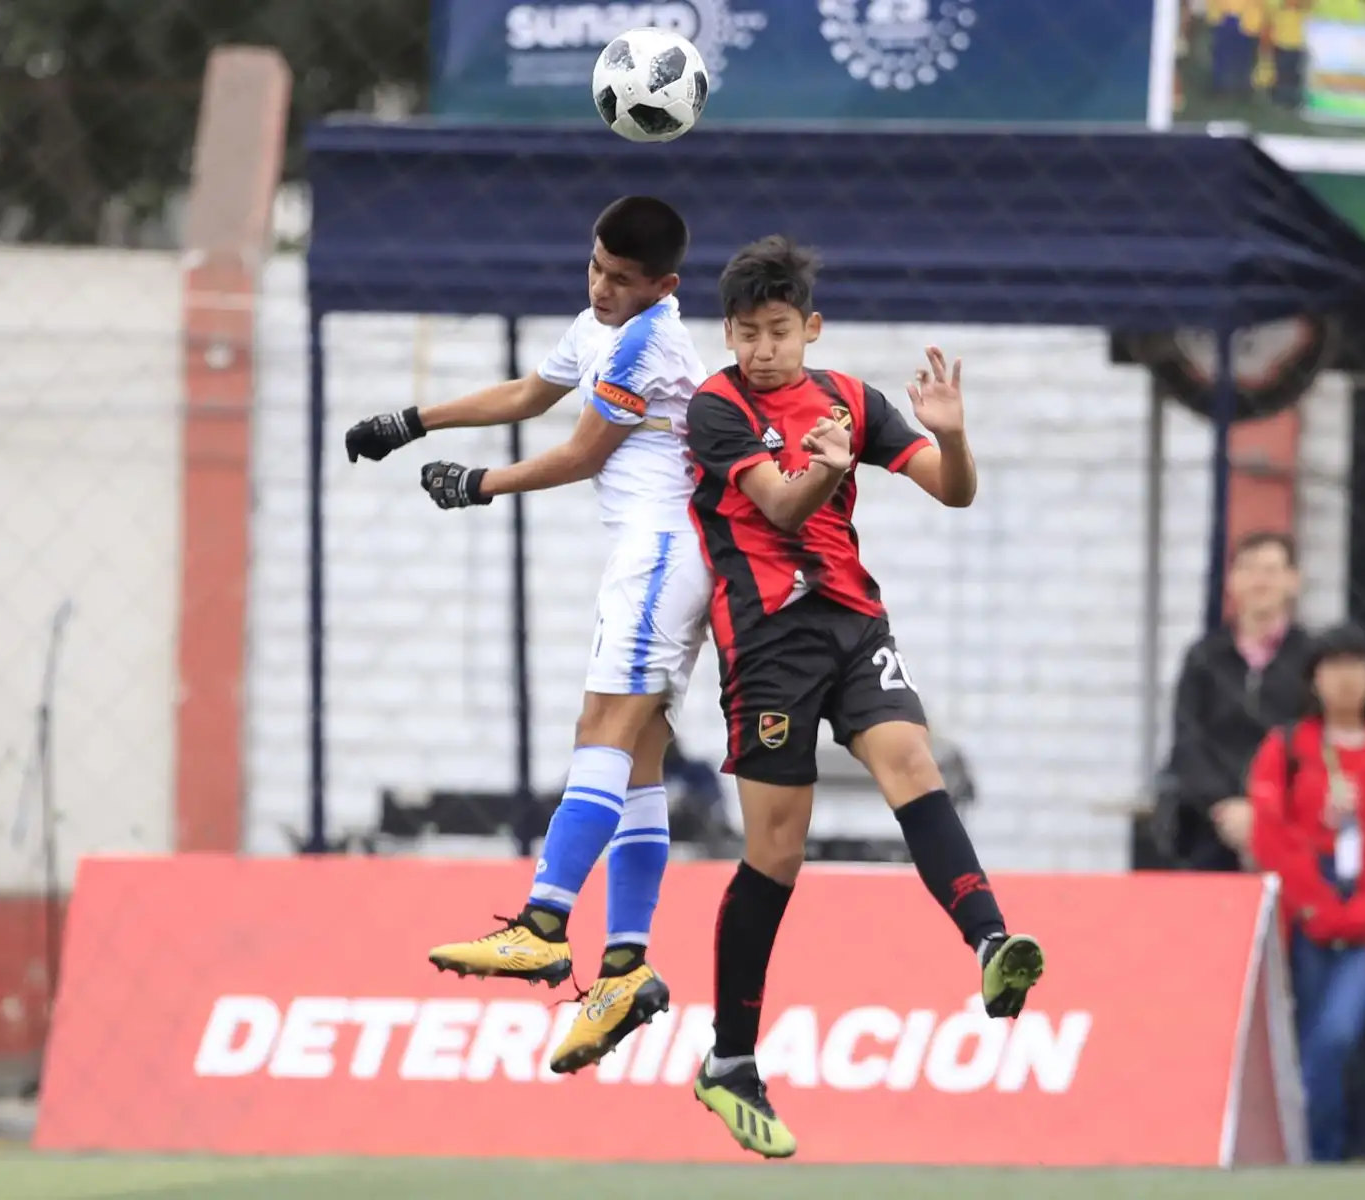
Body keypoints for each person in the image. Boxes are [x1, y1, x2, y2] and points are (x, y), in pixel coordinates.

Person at [681, 236, 1042, 1158]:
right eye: (745, 332)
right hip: (765, 643)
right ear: (727, 333)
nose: (761, 349)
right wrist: (833, 469)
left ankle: (993, 944)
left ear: (811, 327)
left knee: (913, 763)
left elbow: (951, 493)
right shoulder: (715, 409)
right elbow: (780, 506)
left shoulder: (850, 398)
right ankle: (730, 1060)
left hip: (852, 626)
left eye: (777, 331)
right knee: (777, 850)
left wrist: (952, 435)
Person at [342, 197, 709, 1075]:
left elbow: (582, 451)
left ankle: (544, 925)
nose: (603, 287)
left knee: (602, 735)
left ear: (665, 287)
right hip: (652, 556)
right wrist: (414, 421)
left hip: (661, 553)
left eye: (623, 279)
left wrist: (480, 483)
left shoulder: (648, 341)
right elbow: (530, 391)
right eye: (595, 267)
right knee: (641, 759)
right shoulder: (598, 324)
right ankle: (625, 969)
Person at [1247, 623, 1365, 1163]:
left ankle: (1325, 1151)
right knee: (1307, 1036)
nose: (1347, 680)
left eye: (1357, 666)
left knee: (1338, 1036)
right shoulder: (1286, 748)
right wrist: (1314, 902)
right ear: (1313, 679)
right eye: (1334, 667)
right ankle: (1315, 1153)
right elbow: (1270, 834)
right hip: (1306, 915)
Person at [1163, 531, 1312, 871]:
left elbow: (1313, 740)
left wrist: (1264, 811)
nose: (1261, 581)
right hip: (1210, 828)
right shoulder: (1204, 657)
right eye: (1249, 569)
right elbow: (1187, 740)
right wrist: (1225, 806)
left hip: (1291, 826)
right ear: (1231, 581)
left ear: (1293, 581)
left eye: (1272, 570)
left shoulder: (1311, 659)